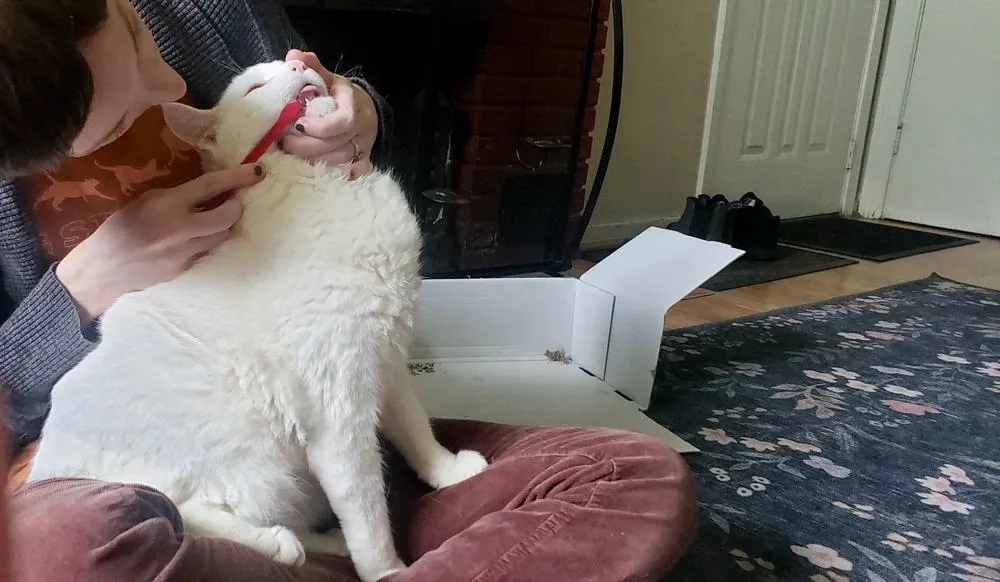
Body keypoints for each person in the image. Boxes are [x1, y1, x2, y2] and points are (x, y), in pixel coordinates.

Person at [0, 0, 697, 580]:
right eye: (118, 122)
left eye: (142, 40)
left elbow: (332, 105)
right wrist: (83, 286)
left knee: (632, 475)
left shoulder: (203, 5)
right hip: (127, 475)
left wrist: (353, 114)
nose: (168, 92)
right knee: (71, 551)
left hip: (329, 445)